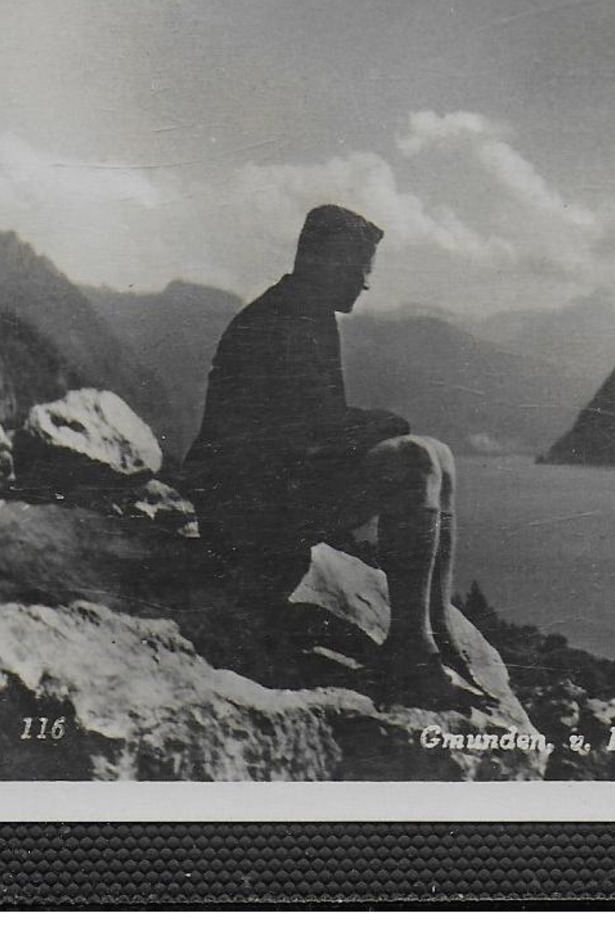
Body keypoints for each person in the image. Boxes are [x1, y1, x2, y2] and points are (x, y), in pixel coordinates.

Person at [183, 205, 477, 702]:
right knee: (415, 458)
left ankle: (436, 630)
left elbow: (317, 430)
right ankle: (409, 648)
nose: (365, 283)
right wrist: (385, 425)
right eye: (358, 267)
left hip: (274, 492)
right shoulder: (275, 324)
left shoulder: (307, 314)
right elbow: (311, 434)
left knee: (438, 454)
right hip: (243, 514)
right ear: (322, 260)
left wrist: (376, 428)